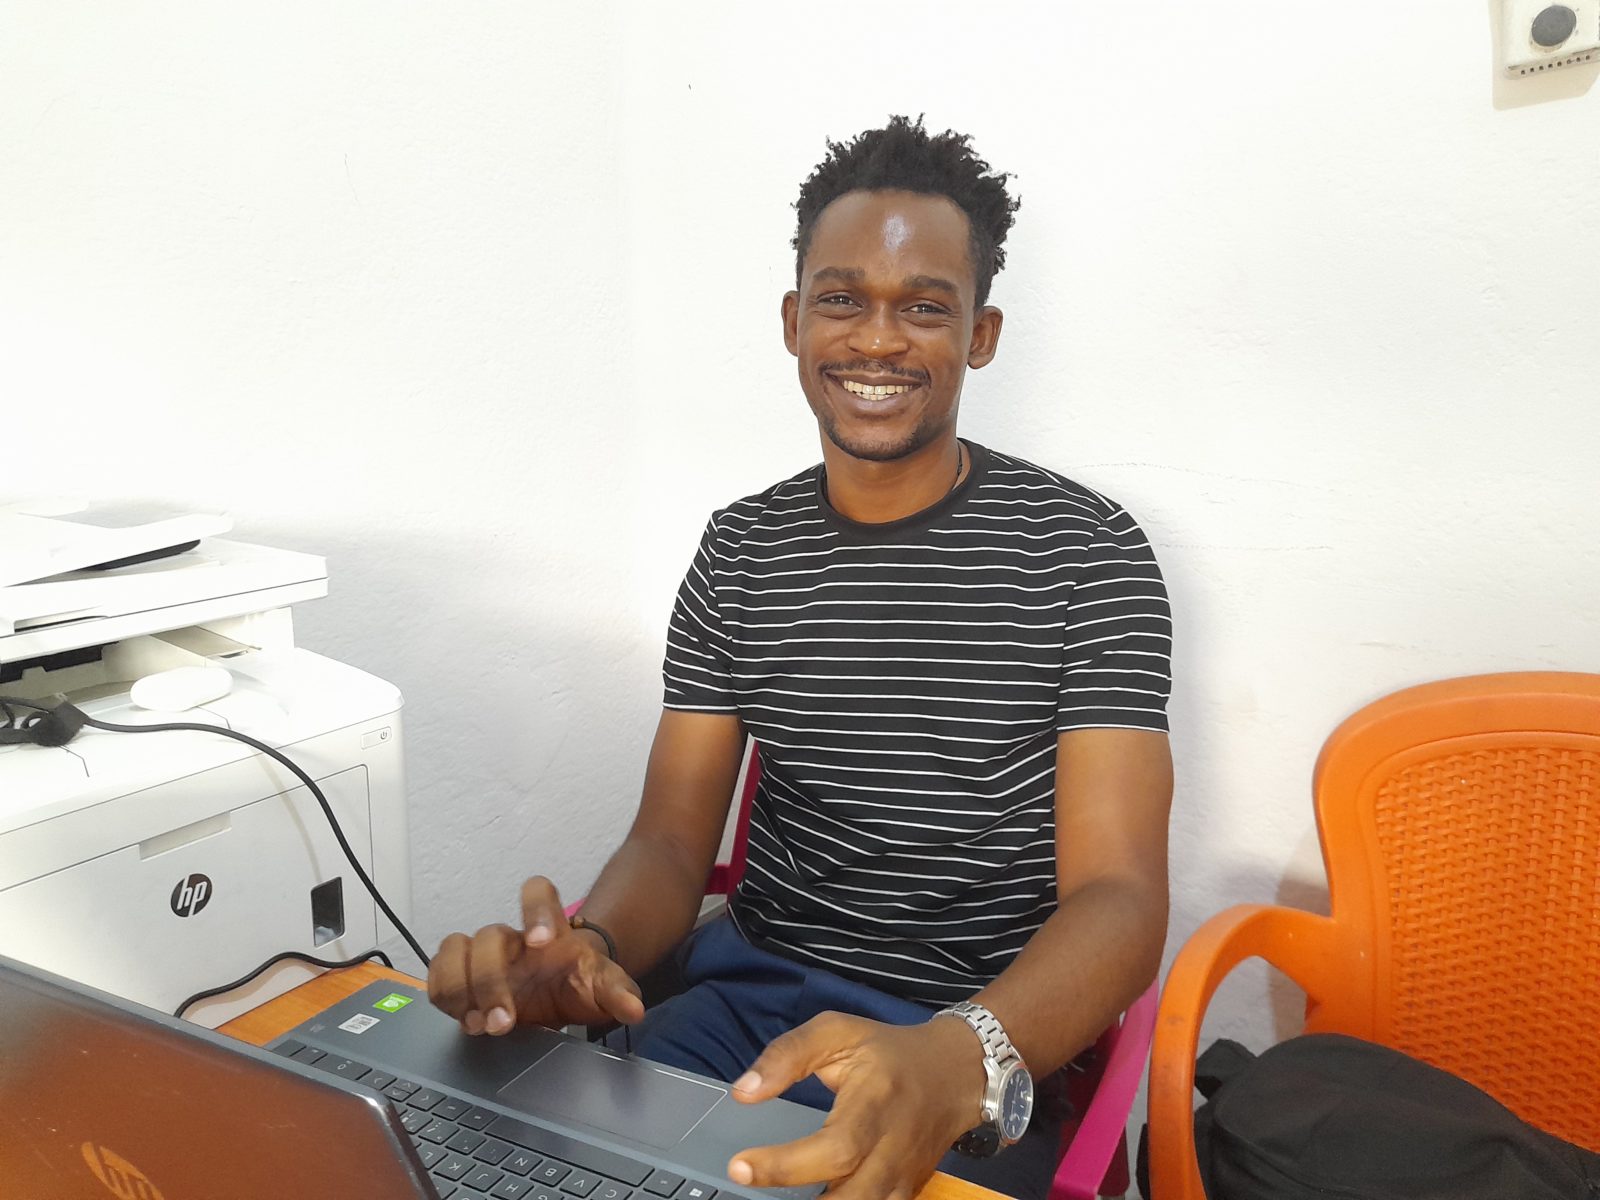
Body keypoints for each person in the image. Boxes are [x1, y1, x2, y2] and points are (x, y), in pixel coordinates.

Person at [428, 115, 1174, 1200]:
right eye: (842, 299)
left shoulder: (1085, 554)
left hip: (959, 1038)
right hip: (737, 1013)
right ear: (792, 321)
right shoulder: (741, 550)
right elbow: (670, 846)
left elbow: (1118, 897)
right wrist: (588, 950)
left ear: (981, 334)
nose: (877, 341)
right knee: (499, 1163)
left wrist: (967, 1055)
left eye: (924, 305)